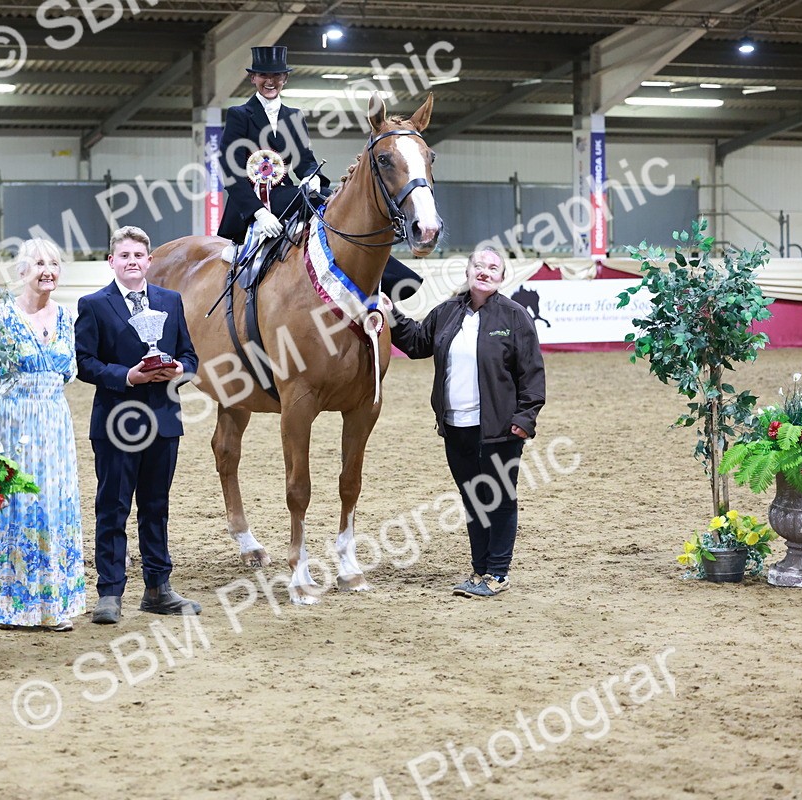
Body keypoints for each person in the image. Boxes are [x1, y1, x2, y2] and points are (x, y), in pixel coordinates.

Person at [386, 248, 546, 597]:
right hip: (456, 427)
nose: (485, 272)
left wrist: (524, 419)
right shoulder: (446, 312)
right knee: (474, 498)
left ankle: (498, 574)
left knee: (499, 498)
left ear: (502, 277)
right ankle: (479, 571)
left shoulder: (515, 317)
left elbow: (531, 374)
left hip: (501, 429)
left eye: (493, 268)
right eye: (479, 266)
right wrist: (390, 313)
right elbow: (415, 343)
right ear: (468, 270)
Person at [218, 44, 423, 299]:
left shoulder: (293, 115)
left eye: (276, 76)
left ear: (285, 78)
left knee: (332, 197)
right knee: (320, 201)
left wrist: (311, 176)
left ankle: (379, 272)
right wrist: (259, 213)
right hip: (252, 202)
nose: (270, 82)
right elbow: (230, 171)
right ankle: (395, 276)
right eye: (263, 76)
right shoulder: (239, 115)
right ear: (253, 78)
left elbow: (304, 160)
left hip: (284, 196)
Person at [74, 225, 201, 625]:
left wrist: (180, 369)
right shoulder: (93, 305)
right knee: (111, 506)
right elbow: (85, 363)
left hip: (163, 421)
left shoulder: (172, 301)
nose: (132, 262)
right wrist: (128, 376)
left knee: (155, 506)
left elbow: (190, 355)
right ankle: (109, 593)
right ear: (112, 261)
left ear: (149, 261)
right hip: (116, 421)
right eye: (124, 256)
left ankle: (158, 589)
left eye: (138, 256)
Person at [0, 237, 85, 630]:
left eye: (55, 264)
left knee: (54, 506)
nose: (48, 270)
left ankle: (53, 606)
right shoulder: (0, 317)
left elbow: (68, 373)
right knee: (13, 507)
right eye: (40, 263)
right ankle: (7, 607)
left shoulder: (66, 317)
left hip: (54, 423)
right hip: (12, 422)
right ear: (22, 271)